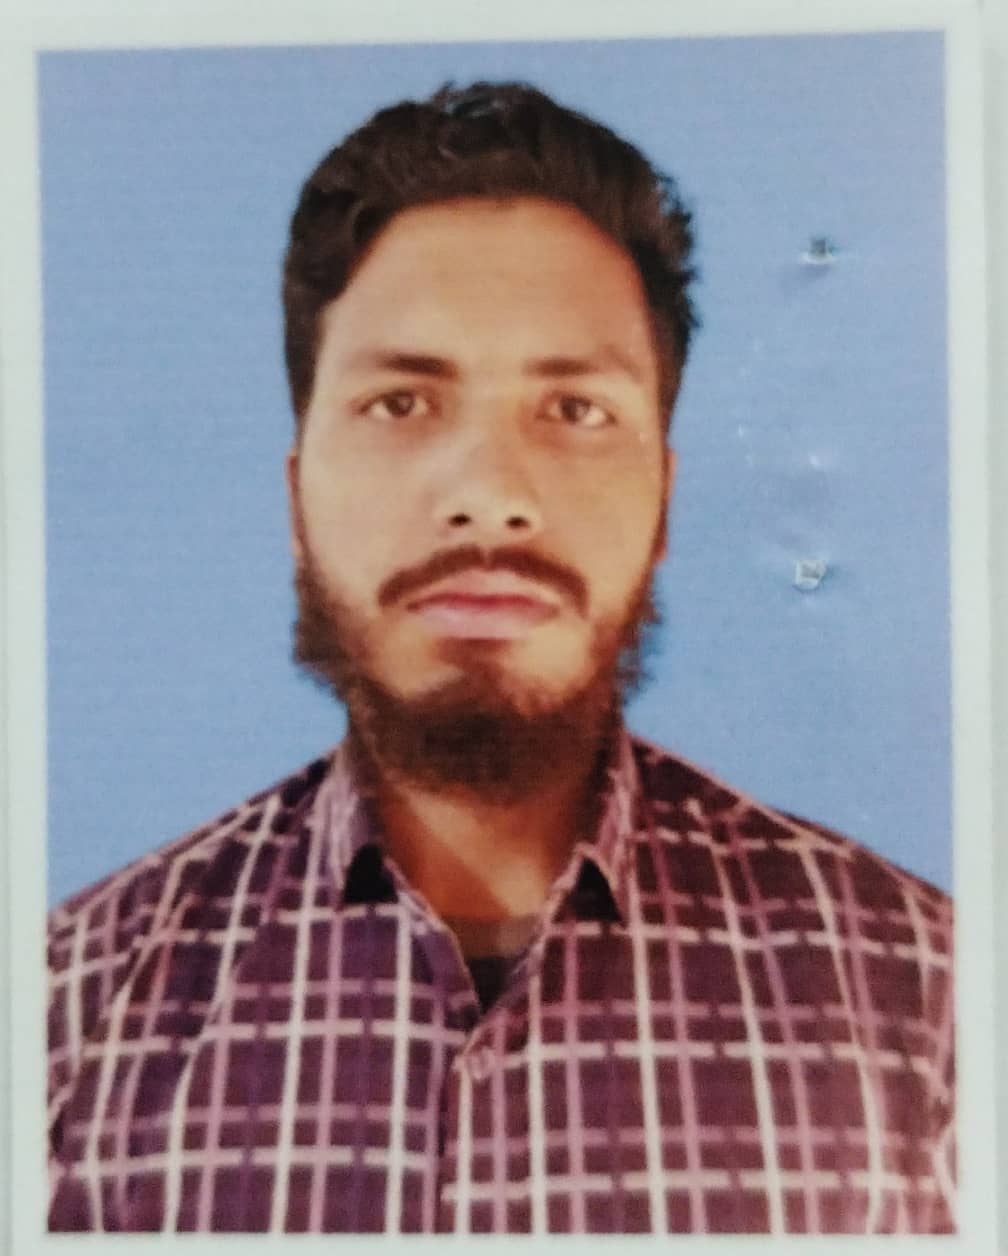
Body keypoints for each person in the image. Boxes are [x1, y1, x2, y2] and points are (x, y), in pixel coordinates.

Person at [46, 80, 955, 1235]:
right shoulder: (63, 1018)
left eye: (574, 409)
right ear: (296, 496)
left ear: (664, 499)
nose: (489, 495)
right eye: (401, 402)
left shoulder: (929, 1002)